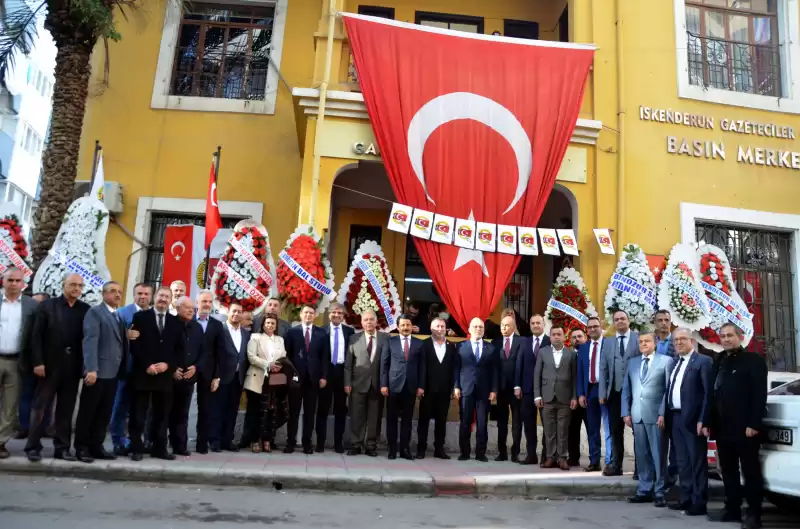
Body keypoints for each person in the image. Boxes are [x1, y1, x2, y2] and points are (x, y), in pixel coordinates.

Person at [707, 323, 767, 529]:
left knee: (750, 471)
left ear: (740, 337)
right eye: (723, 336)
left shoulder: (753, 361)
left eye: (730, 335)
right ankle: (732, 507)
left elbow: (759, 396)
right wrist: (708, 421)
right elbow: (712, 394)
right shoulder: (720, 361)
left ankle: (754, 512)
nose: (726, 339)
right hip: (723, 428)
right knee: (728, 470)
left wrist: (754, 423)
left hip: (745, 428)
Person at [24, 274, 90, 462]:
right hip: (49, 366)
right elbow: (35, 337)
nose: (77, 288)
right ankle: (33, 446)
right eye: (73, 285)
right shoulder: (47, 307)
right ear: (63, 285)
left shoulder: (85, 309)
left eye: (80, 285)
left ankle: (62, 448)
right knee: (40, 407)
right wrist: (38, 362)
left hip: (72, 367)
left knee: (66, 409)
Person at [74, 281, 128, 463]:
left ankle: (96, 446)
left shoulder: (117, 315)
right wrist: (91, 369)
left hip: (112, 373)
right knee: (88, 412)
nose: (117, 295)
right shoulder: (95, 313)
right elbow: (90, 341)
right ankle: (81, 448)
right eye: (113, 291)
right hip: (97, 372)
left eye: (119, 291)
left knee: (104, 413)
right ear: (104, 294)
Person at [129, 286, 183, 461]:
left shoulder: (176, 322)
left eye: (167, 297)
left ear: (170, 300)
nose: (163, 299)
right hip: (143, 373)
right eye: (161, 295)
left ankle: (159, 448)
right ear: (155, 297)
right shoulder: (140, 317)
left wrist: (168, 365)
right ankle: (136, 447)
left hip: (165, 376)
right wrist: (147, 365)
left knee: (162, 414)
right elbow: (134, 345)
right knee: (139, 413)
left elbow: (179, 349)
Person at [623, 332, 675, 507]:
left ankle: (660, 491)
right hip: (637, 415)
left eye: (647, 341)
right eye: (640, 342)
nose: (643, 344)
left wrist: (662, 412)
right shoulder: (632, 363)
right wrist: (626, 412)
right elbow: (626, 390)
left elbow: (668, 389)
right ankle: (644, 490)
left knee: (658, 454)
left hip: (656, 416)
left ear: (655, 343)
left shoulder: (666, 361)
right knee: (642, 454)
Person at [666, 328, 712, 516]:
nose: (678, 343)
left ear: (691, 340)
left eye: (682, 339)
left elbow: (708, 394)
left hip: (693, 421)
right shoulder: (676, 362)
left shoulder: (703, 361)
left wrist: (704, 419)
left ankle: (699, 501)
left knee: (697, 462)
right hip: (675, 418)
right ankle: (686, 498)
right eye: (676, 340)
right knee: (682, 461)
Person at [110, 282, 153, 455]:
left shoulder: (153, 315)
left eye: (146, 294)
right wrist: (125, 336)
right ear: (134, 295)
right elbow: (111, 338)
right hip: (126, 369)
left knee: (140, 409)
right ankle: (117, 440)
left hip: (146, 371)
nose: (143, 296)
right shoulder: (122, 313)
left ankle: (136, 441)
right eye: (139, 293)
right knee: (120, 405)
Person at [0, 268, 37, 459]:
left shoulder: (31, 306)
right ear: (2, 281)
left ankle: (1, 442)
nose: (14, 284)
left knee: (10, 405)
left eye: (17, 281)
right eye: (10, 280)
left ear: (23, 283)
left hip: (17, 361)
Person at [284, 304, 329, 454]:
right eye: (306, 313)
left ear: (315, 315)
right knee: (293, 412)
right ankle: (290, 442)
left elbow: (325, 357)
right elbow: (287, 357)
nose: (308, 315)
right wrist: (289, 376)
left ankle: (307, 443)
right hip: (296, 379)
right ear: (301, 315)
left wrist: (323, 377)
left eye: (311, 313)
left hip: (313, 379)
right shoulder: (292, 332)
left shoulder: (322, 333)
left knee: (310, 413)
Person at [599, 309, 640, 477]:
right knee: (615, 431)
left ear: (628, 320)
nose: (620, 321)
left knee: (638, 431)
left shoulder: (638, 340)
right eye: (617, 319)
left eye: (623, 318)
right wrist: (602, 393)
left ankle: (640, 468)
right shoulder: (608, 342)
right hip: (614, 393)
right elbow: (603, 368)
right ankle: (616, 465)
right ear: (613, 323)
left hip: (635, 394)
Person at [381, 314, 424, 460]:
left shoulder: (419, 343)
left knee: (407, 420)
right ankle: (392, 449)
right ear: (398, 327)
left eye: (408, 325)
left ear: (412, 326)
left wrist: (421, 386)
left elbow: (422, 368)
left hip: (411, 387)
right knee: (391, 419)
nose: (406, 328)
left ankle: (405, 449)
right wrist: (384, 384)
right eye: (403, 325)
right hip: (393, 386)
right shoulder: (390, 342)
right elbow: (384, 364)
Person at [345, 310, 388, 457]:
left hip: (378, 384)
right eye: (366, 320)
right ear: (362, 323)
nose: (369, 322)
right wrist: (347, 382)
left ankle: (371, 446)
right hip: (358, 384)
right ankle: (356, 444)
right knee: (357, 416)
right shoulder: (353, 339)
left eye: (371, 320)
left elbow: (387, 363)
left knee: (374, 417)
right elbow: (348, 364)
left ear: (376, 322)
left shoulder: (386, 338)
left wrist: (385, 383)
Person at [455, 318, 498, 462]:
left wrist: (493, 390)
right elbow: (457, 368)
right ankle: (464, 452)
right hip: (466, 389)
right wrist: (456, 386)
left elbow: (494, 371)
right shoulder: (461, 346)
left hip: (484, 391)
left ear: (484, 330)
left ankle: (481, 453)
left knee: (482, 423)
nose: (478, 329)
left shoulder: (491, 348)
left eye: (481, 326)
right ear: (469, 329)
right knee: (465, 421)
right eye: (475, 326)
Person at [534, 326, 577, 470]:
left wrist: (574, 397)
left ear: (564, 336)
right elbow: (537, 375)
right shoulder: (543, 352)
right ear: (550, 337)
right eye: (554, 334)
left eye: (559, 334)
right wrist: (537, 395)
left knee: (563, 430)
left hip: (565, 398)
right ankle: (550, 457)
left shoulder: (570, 354)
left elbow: (574, 378)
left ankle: (562, 458)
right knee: (549, 430)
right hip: (547, 397)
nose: (556, 337)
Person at [242, 313, 287, 453]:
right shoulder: (255, 337)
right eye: (268, 322)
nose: (270, 325)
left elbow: (283, 356)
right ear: (263, 324)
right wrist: (268, 364)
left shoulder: (279, 339)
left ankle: (267, 439)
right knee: (256, 412)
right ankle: (254, 440)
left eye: (273, 323)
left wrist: (278, 365)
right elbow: (251, 356)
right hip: (257, 378)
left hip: (274, 380)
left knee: (271, 411)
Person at [210, 302, 250, 452]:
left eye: (239, 312)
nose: (236, 314)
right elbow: (214, 354)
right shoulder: (220, 329)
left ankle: (227, 440)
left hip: (238, 378)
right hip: (221, 377)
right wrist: (216, 376)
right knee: (217, 409)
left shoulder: (246, 333)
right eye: (233, 311)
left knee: (232, 410)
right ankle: (214, 440)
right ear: (228, 312)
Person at [169, 296, 205, 456]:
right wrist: (172, 368)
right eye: (187, 307)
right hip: (170, 377)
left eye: (193, 308)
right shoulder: (169, 324)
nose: (191, 310)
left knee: (182, 413)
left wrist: (196, 367)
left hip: (189, 377)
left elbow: (203, 351)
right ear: (177, 308)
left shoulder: (197, 328)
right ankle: (159, 444)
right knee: (164, 412)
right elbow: (164, 349)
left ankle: (180, 445)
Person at [416, 317, 456, 459]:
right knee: (424, 420)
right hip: (427, 389)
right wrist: (420, 386)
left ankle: (439, 449)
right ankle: (421, 449)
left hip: (445, 390)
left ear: (446, 329)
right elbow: (421, 367)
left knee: (441, 421)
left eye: (442, 326)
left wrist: (453, 387)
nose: (440, 329)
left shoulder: (451, 346)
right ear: (431, 329)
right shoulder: (424, 344)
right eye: (437, 326)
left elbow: (453, 368)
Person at [317, 302, 354, 453]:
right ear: (329, 314)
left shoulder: (349, 332)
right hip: (325, 374)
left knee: (340, 410)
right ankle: (320, 442)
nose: (336, 315)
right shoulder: (321, 331)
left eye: (339, 313)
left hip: (342, 373)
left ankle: (338, 443)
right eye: (334, 312)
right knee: (322, 410)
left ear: (343, 316)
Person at [576, 316, 612, 472]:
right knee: (592, 428)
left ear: (601, 326)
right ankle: (594, 461)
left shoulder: (610, 344)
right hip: (590, 390)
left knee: (609, 428)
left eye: (595, 326)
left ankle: (610, 462)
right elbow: (580, 372)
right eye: (589, 327)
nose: (592, 329)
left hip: (606, 390)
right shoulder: (584, 347)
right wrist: (581, 394)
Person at [17, 294, 52, 442]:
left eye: (37, 303)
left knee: (47, 398)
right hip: (29, 365)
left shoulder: (51, 318)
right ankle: (24, 427)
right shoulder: (28, 318)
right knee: (26, 395)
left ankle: (43, 427)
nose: (34, 306)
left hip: (49, 365)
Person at [194, 290, 225, 454]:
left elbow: (220, 352)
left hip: (208, 373)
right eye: (203, 301)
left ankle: (201, 443)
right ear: (197, 303)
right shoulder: (187, 321)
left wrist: (217, 376)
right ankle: (177, 441)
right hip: (187, 371)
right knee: (180, 408)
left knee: (205, 409)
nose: (206, 304)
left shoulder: (216, 325)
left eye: (209, 301)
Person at [654, 308, 678, 485]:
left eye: (666, 320)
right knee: (656, 440)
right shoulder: (650, 342)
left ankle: (674, 473)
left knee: (675, 440)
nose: (663, 323)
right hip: (653, 398)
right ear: (655, 323)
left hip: (673, 397)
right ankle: (658, 474)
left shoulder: (678, 343)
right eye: (660, 320)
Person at [496, 315, 523, 462]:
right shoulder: (496, 342)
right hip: (501, 389)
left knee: (517, 422)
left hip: (516, 389)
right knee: (502, 422)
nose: (504, 328)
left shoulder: (521, 342)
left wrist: (519, 385)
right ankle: (502, 452)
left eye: (507, 325)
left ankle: (515, 453)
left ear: (513, 327)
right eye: (502, 325)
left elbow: (522, 366)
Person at [528, 313, 550, 462]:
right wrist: (518, 385)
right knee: (529, 425)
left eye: (538, 323)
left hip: (546, 390)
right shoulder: (524, 342)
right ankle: (531, 455)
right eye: (533, 323)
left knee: (547, 425)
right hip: (527, 390)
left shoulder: (550, 341)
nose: (536, 325)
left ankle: (545, 455)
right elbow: (520, 366)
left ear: (543, 324)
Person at [567, 327, 588, 466]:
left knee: (591, 430)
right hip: (573, 398)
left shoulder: (590, 353)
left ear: (585, 337)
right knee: (572, 430)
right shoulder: (568, 355)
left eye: (579, 336)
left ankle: (594, 459)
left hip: (588, 398)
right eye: (574, 337)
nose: (577, 339)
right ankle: (573, 458)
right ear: (570, 340)